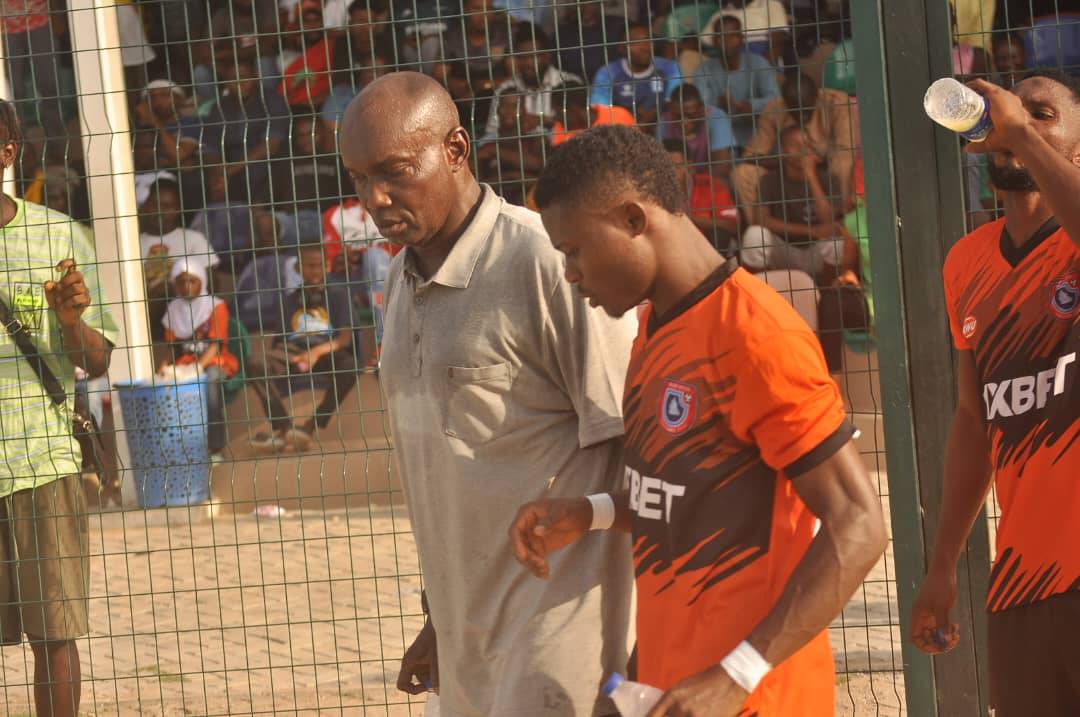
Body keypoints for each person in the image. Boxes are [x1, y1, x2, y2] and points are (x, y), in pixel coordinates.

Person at [511, 124, 887, 716]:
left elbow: (860, 525)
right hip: (670, 693)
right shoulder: (652, 331)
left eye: (575, 250)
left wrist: (736, 674)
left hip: (759, 700)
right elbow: (690, 500)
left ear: (634, 219)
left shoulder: (758, 336)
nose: (570, 273)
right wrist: (590, 512)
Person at [339, 72, 636, 716]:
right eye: (359, 178)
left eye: (394, 170)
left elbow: (638, 442)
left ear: (455, 148)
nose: (376, 197)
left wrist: (644, 641)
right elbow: (449, 467)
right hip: (465, 640)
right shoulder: (400, 277)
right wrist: (435, 615)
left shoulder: (545, 260)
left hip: (560, 635)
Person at [910, 72, 1080, 715]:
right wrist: (943, 564)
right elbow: (973, 420)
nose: (1019, 124)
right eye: (1013, 112)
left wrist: (1021, 136)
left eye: (1044, 115)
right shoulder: (967, 262)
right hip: (1023, 582)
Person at [0, 98, 119, 717]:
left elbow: (96, 361)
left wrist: (71, 322)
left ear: (8, 152)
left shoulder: (56, 236)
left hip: (43, 460)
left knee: (55, 632)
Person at [244, 239, 360, 453]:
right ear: (299, 267)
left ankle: (310, 427)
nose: (314, 271)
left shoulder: (339, 295)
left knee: (350, 366)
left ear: (326, 266)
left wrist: (314, 353)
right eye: (309, 265)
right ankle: (285, 428)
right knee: (256, 363)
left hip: (326, 350)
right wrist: (294, 358)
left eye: (319, 265)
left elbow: (344, 339)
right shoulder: (288, 300)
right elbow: (279, 341)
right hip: (294, 351)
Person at [734, 71, 857, 224]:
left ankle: (840, 218)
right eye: (796, 111)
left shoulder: (836, 103)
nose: (803, 117)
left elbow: (846, 150)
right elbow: (751, 156)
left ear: (816, 97)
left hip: (828, 173)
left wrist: (815, 161)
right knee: (743, 173)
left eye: (806, 110)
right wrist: (790, 159)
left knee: (843, 161)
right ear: (785, 103)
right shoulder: (774, 109)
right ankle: (763, 231)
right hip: (790, 176)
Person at [739, 126, 858, 283]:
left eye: (807, 145)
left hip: (815, 253)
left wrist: (811, 176)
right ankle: (759, 293)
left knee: (835, 241)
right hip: (785, 250)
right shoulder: (769, 180)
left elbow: (829, 220)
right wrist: (810, 231)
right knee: (754, 235)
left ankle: (828, 295)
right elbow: (761, 220)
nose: (803, 150)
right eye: (796, 145)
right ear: (782, 151)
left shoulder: (828, 178)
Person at [159, 258, 238, 464]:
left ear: (202, 280)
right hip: (185, 363)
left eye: (192, 281)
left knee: (209, 382)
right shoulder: (173, 310)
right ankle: (182, 448)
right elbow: (172, 348)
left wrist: (197, 368)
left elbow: (215, 346)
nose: (186, 287)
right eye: (181, 282)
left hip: (214, 362)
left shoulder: (215, 306)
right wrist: (163, 368)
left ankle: (216, 446)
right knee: (164, 386)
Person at [201, 56, 291, 202]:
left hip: (266, 162)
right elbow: (211, 148)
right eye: (233, 79)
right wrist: (217, 173)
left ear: (255, 77)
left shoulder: (271, 99)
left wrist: (229, 171)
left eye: (244, 77)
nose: (239, 83)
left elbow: (271, 146)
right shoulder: (219, 107)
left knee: (257, 172)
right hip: (231, 164)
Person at [691, 14, 780, 150]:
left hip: (758, 135)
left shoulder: (758, 63)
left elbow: (775, 99)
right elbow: (702, 108)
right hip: (720, 140)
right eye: (721, 36)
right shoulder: (703, 70)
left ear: (741, 39)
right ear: (714, 41)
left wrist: (749, 106)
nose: (727, 41)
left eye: (732, 36)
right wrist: (719, 106)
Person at [482, 27, 581, 140]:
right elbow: (492, 134)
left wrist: (544, 121)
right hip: (515, 152)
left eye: (533, 56)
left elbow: (579, 127)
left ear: (546, 57)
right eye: (522, 57)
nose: (528, 63)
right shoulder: (505, 89)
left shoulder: (568, 84)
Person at [590, 23, 682, 128]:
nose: (645, 47)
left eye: (648, 40)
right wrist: (630, 118)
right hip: (621, 131)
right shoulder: (607, 73)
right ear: (622, 48)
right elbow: (601, 112)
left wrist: (655, 113)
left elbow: (678, 107)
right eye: (636, 42)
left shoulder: (669, 67)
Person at [662, 139, 739, 253]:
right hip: (669, 250)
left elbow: (733, 225)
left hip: (707, 251)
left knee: (720, 234)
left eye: (677, 166)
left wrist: (689, 219)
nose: (670, 172)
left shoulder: (711, 186)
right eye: (665, 167)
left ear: (689, 166)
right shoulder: (651, 191)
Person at [659, 84, 737, 179]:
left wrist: (693, 179)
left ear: (701, 108)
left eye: (690, 115)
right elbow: (660, 163)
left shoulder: (716, 118)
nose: (684, 121)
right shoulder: (664, 121)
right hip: (679, 179)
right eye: (678, 116)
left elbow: (721, 167)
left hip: (709, 179)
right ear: (670, 108)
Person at [556, 0, 624, 82]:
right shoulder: (562, 33)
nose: (586, 6)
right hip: (575, 86)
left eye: (591, 3)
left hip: (616, 82)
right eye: (582, 2)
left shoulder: (618, 25)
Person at [552, 80, 635, 147]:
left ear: (573, 109)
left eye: (557, 112)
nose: (556, 117)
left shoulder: (618, 116)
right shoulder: (560, 128)